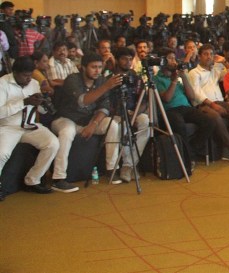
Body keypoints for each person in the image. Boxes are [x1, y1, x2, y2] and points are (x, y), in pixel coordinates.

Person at [50, 53, 126, 192]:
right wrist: (106, 86)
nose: (97, 70)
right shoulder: (72, 79)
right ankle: (58, 178)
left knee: (112, 125)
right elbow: (83, 101)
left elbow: (104, 108)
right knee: (67, 132)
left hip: (89, 120)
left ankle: (112, 169)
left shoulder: (101, 80)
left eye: (100, 67)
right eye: (93, 67)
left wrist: (93, 124)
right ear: (83, 67)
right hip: (66, 119)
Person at [0, 56, 60, 200]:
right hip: (9, 126)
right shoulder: (2, 83)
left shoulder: (34, 83)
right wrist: (24, 102)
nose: (28, 79)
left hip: (30, 125)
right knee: (2, 153)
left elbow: (40, 111)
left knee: (52, 143)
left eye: (30, 75)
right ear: (15, 72)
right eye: (25, 75)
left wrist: (44, 104)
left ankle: (33, 180)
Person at [187, 44, 229, 163]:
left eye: (211, 54)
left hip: (220, 101)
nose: (209, 57)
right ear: (199, 56)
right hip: (203, 105)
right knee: (215, 116)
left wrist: (224, 61)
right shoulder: (194, 72)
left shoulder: (215, 70)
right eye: (205, 54)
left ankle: (227, 150)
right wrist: (212, 105)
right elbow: (196, 93)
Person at [154, 48, 216, 167]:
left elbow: (191, 96)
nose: (174, 61)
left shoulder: (178, 76)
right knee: (179, 124)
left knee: (209, 121)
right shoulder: (157, 79)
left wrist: (183, 77)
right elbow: (167, 98)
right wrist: (173, 81)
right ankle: (188, 157)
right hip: (169, 110)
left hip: (185, 108)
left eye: (174, 58)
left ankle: (190, 151)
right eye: (170, 58)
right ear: (162, 61)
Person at [112, 47, 150, 182]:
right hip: (117, 113)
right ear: (117, 60)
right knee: (123, 126)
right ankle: (129, 166)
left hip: (135, 112)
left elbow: (144, 101)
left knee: (145, 121)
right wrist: (125, 114)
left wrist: (135, 113)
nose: (128, 62)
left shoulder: (136, 78)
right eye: (124, 59)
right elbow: (108, 102)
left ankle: (129, 164)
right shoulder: (110, 78)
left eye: (130, 59)